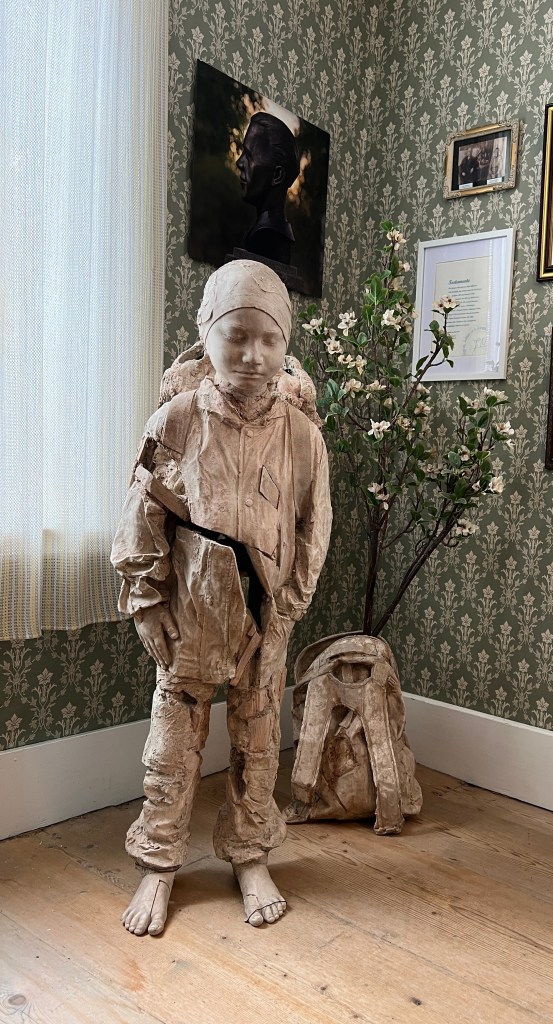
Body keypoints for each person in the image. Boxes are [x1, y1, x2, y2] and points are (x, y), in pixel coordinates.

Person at [111, 259, 332, 937]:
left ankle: (249, 853)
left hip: (265, 616)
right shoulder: (177, 420)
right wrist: (147, 602)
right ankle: (158, 862)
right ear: (206, 335)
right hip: (191, 613)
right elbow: (143, 513)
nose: (253, 355)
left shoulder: (302, 436)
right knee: (172, 743)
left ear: (286, 343)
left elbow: (314, 525)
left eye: (269, 339)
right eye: (236, 336)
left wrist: (288, 608)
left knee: (258, 740)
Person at [236, 112, 300, 265]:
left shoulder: (267, 237)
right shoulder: (267, 232)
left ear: (277, 175)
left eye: (249, 156)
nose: (239, 163)